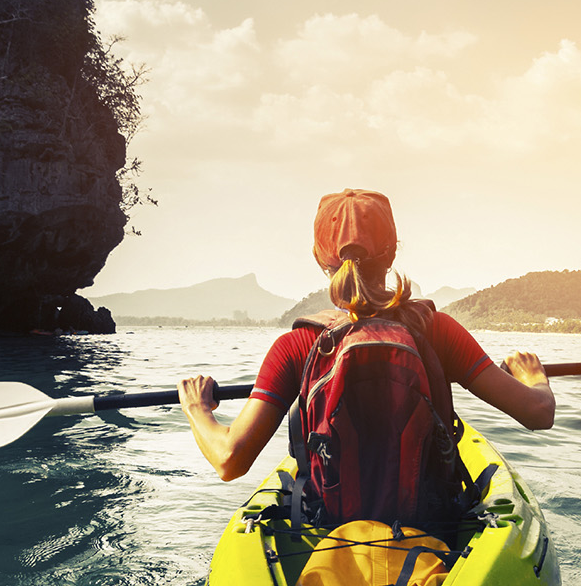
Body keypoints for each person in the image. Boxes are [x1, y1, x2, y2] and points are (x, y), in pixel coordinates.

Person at [178, 189, 554, 486]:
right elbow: (538, 413)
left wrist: (198, 409)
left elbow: (229, 461)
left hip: (333, 533)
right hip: (433, 528)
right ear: (391, 254)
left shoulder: (298, 346)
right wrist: (533, 376)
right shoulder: (436, 330)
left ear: (317, 258)